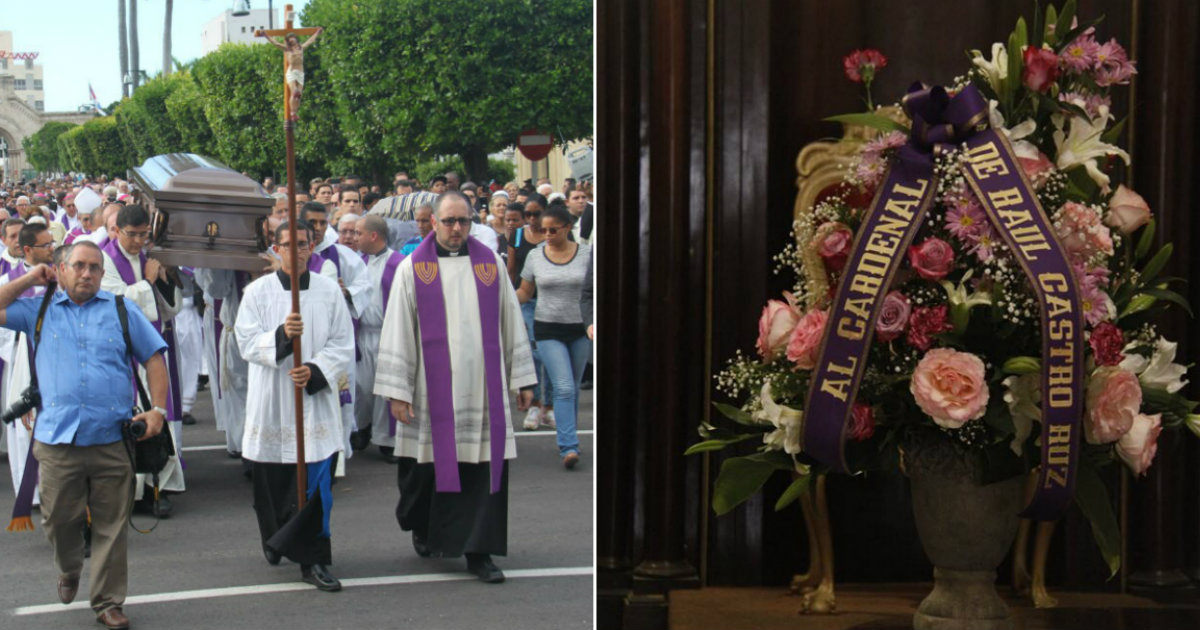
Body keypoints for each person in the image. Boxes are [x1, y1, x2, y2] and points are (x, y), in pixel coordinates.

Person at [0, 241, 169, 630]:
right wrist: (29, 277)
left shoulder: (121, 310)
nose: (87, 274)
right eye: (78, 266)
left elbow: (154, 358)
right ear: (60, 270)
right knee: (59, 520)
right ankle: (69, 566)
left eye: (94, 267)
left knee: (112, 525)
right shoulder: (38, 311)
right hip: (57, 442)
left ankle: (108, 602)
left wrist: (157, 412)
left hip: (112, 439)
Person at [374, 191, 536, 583]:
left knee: (482, 469)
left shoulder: (490, 265)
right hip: (430, 391)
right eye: (448, 221)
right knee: (424, 471)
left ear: (471, 221)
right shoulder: (415, 268)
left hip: (483, 389)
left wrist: (523, 378)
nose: (456, 229)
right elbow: (398, 329)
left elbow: (511, 320)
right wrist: (398, 391)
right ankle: (423, 525)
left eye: (463, 221)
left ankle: (479, 553)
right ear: (434, 223)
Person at [235, 220, 354, 592]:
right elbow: (246, 342)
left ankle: (313, 558)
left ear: (312, 246)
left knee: (316, 485)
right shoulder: (257, 293)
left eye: (303, 244)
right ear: (276, 248)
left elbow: (343, 343)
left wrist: (316, 370)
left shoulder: (328, 292)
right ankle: (277, 537)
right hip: (272, 400)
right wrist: (283, 337)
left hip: (313, 402)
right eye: (288, 244)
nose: (296, 251)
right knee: (273, 485)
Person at [100, 205, 186, 516]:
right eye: (131, 235)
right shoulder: (104, 259)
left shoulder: (149, 257)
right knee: (129, 417)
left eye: (143, 234)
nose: (137, 241)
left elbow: (171, 308)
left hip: (150, 348)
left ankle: (157, 486)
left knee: (157, 413)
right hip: (120, 351)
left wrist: (163, 278)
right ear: (116, 231)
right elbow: (115, 301)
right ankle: (131, 490)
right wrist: (148, 281)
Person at [516, 205, 593, 469]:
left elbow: (594, 291)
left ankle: (570, 439)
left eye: (552, 229)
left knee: (571, 386)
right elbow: (525, 292)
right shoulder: (536, 256)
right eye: (541, 229)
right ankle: (568, 446)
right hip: (548, 329)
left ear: (567, 228)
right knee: (563, 387)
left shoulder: (587, 254)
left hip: (580, 329)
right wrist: (502, 299)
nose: (546, 234)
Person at [0, 223, 55, 508]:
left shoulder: (61, 273)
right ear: (28, 250)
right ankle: (31, 491)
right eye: (46, 245)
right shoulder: (10, 280)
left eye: (52, 243)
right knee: (26, 425)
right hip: (23, 357)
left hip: (56, 357)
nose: (52, 249)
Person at [353, 216, 404, 461]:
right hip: (363, 334)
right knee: (361, 387)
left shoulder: (400, 264)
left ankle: (387, 441)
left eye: (358, 233)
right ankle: (362, 427)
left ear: (373, 236)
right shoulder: (356, 262)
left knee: (386, 390)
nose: (354, 237)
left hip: (387, 334)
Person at [507, 197, 555, 430]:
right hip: (526, 300)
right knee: (535, 352)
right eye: (529, 215)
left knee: (552, 354)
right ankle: (535, 404)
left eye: (537, 214)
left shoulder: (553, 234)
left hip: (552, 301)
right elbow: (511, 270)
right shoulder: (517, 236)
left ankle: (550, 406)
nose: (533, 219)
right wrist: (509, 302)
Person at [259, 28, 324, 119]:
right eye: (290, 38)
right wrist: (266, 35)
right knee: (294, 92)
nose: (292, 39)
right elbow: (276, 43)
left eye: (293, 37)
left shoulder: (301, 47)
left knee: (299, 96)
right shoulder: (287, 49)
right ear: (288, 41)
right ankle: (292, 112)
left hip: (300, 72)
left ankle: (295, 112)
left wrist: (317, 33)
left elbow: (310, 41)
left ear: (296, 38)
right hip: (292, 71)